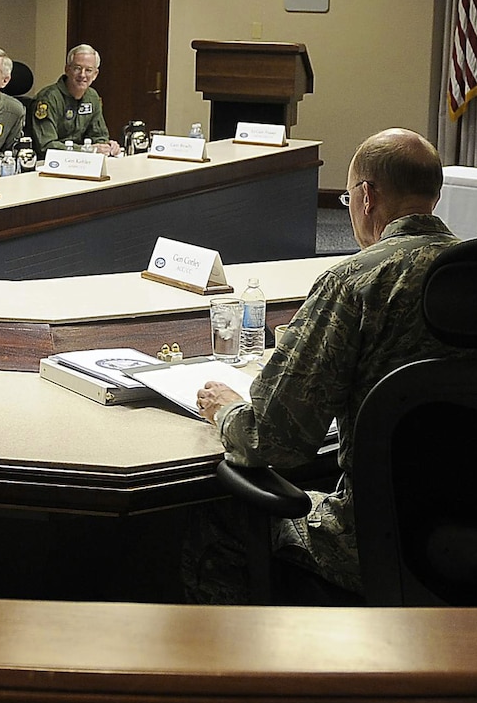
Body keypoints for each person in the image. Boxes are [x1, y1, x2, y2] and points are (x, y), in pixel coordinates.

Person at [185, 129, 462, 602]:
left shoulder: (356, 281)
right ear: (433, 194)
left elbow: (270, 442)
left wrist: (227, 408)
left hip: (376, 538)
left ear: (367, 196)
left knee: (215, 515)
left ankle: (235, 673)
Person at [26, 45, 120, 156]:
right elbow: (46, 146)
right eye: (77, 68)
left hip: (83, 162)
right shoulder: (48, 99)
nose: (82, 75)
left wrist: (107, 146)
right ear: (67, 70)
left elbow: (98, 136)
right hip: (49, 164)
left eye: (89, 70)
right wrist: (87, 150)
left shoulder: (92, 97)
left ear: (95, 74)